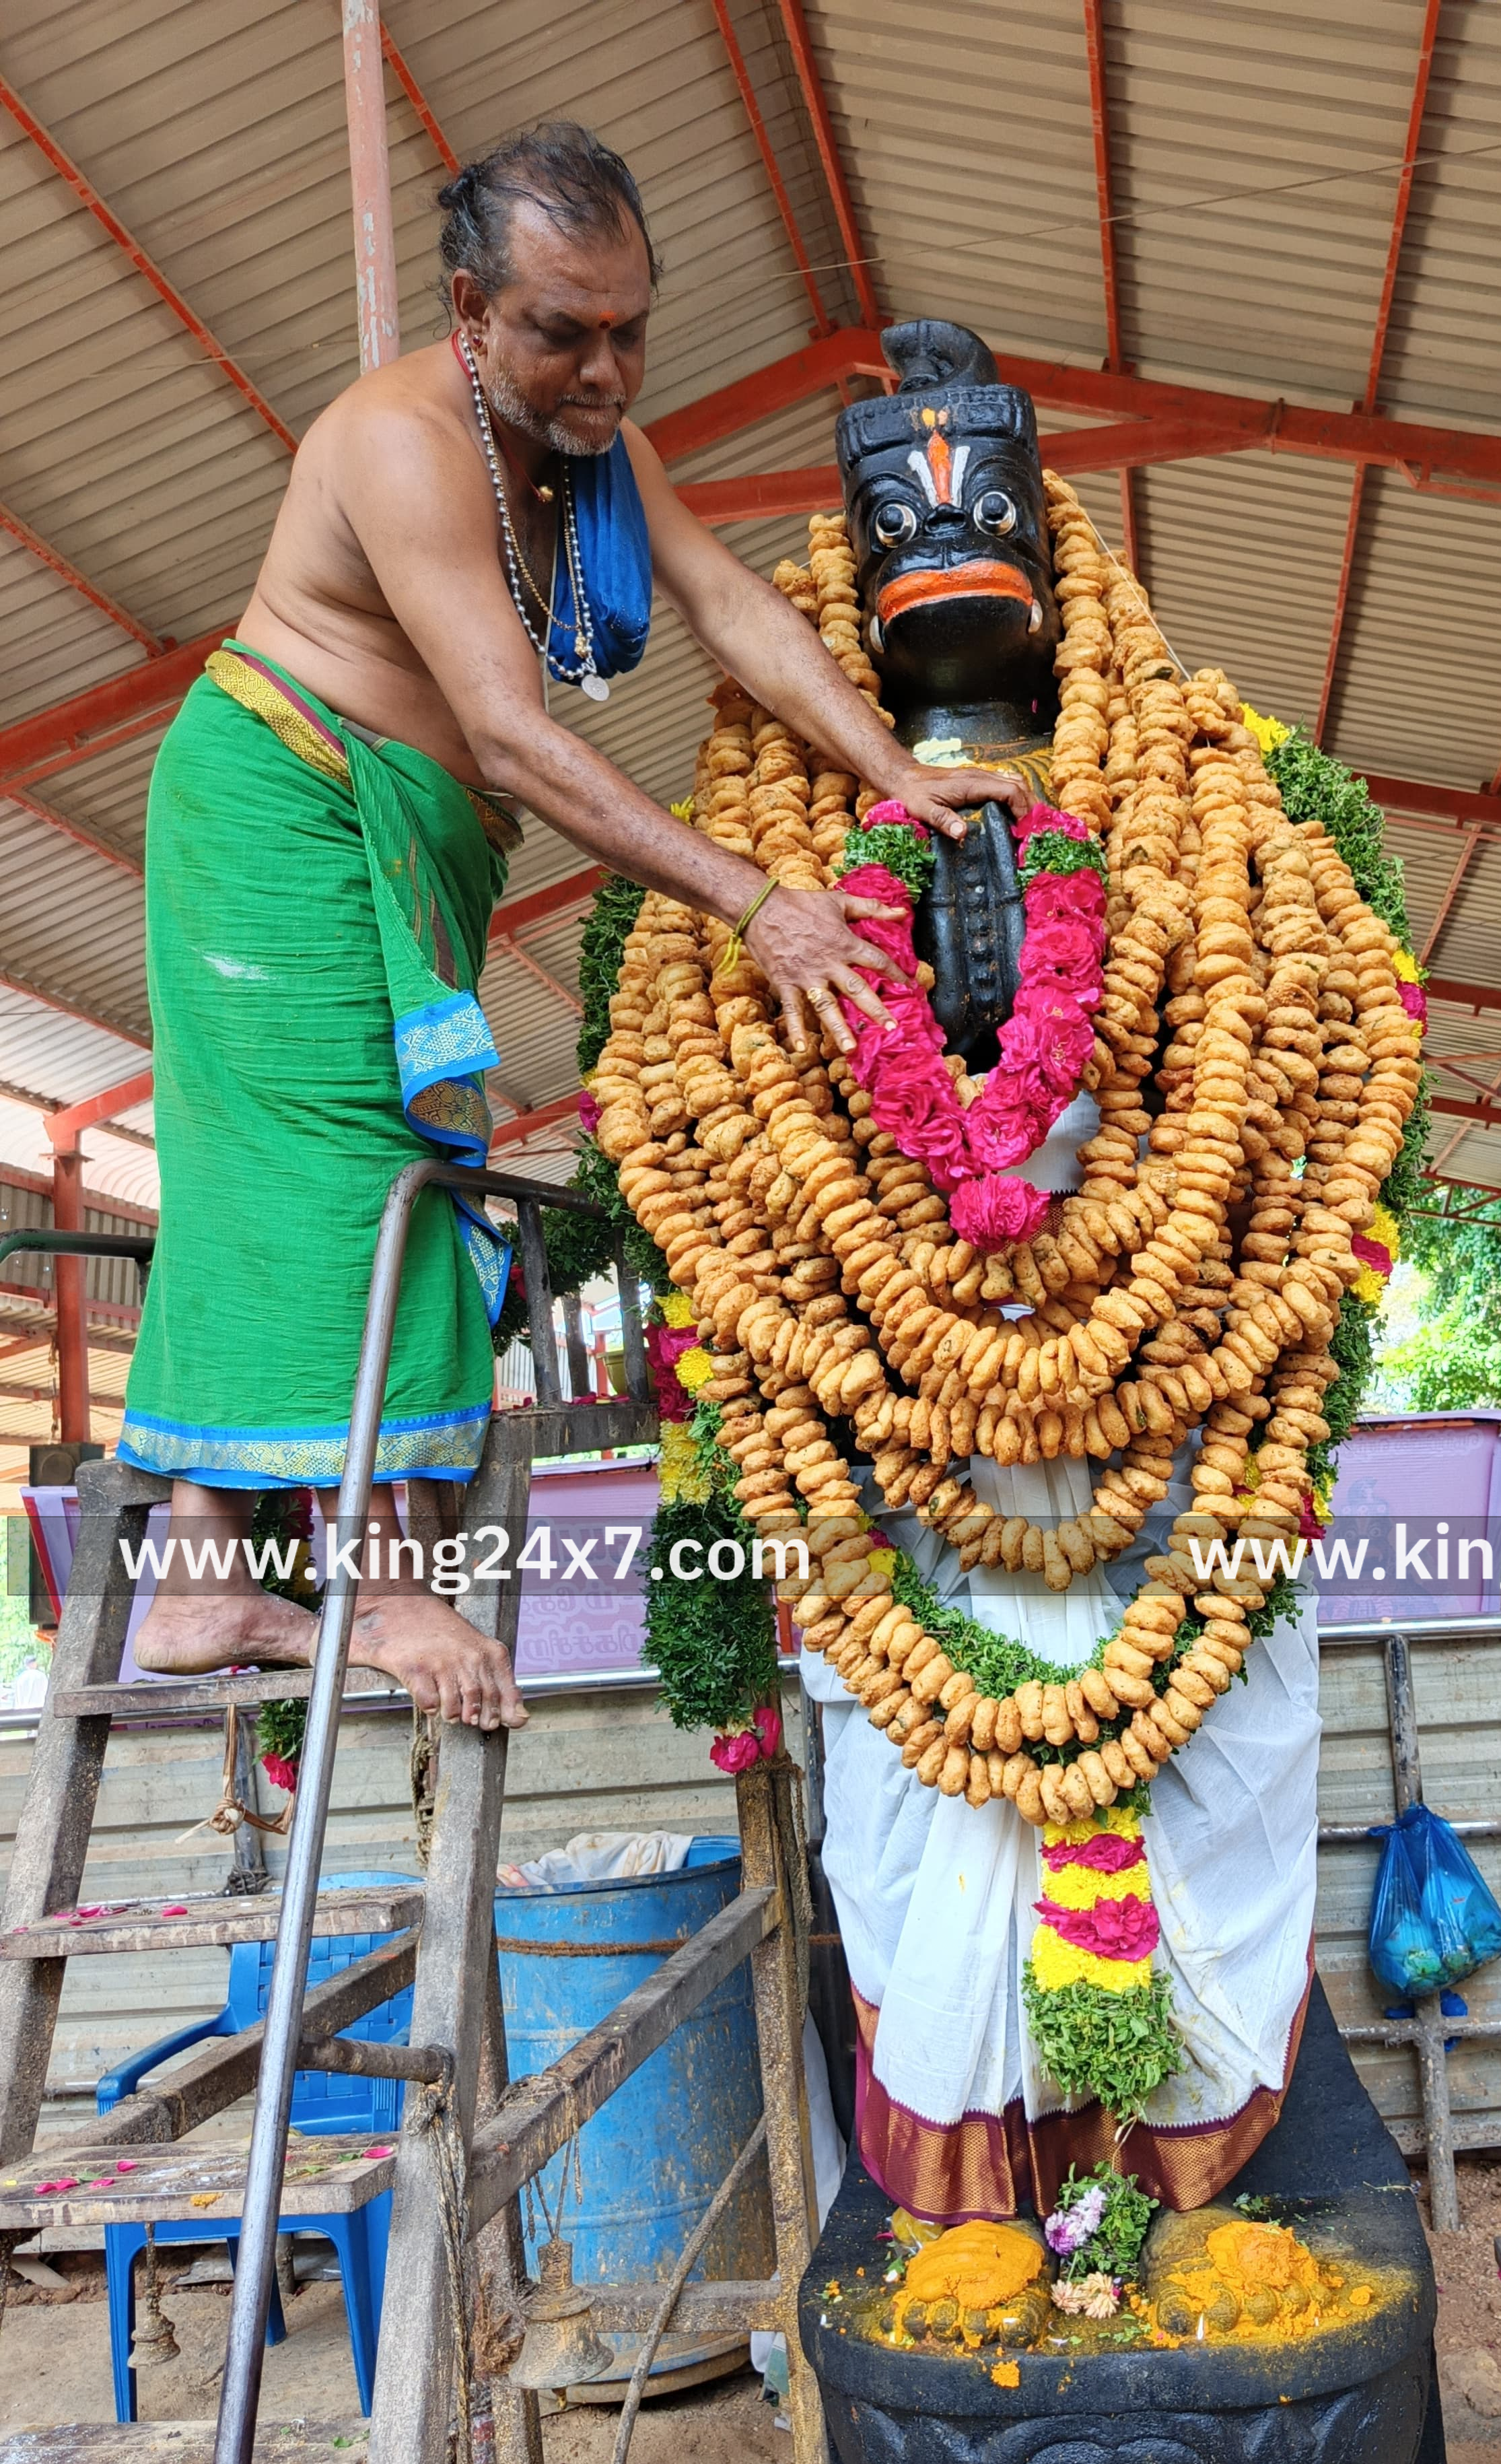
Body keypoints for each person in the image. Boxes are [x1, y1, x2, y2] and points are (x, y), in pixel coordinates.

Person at [118, 120, 1024, 1730]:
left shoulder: (592, 437)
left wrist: (897, 772)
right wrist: (761, 904)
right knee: (339, 1162)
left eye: (629, 329)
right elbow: (516, 729)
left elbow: (731, 609)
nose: (606, 370)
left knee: (337, 1163)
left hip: (400, 831)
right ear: (471, 311)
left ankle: (199, 1577)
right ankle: (376, 1588)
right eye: (561, 331)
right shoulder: (406, 440)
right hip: (284, 807)